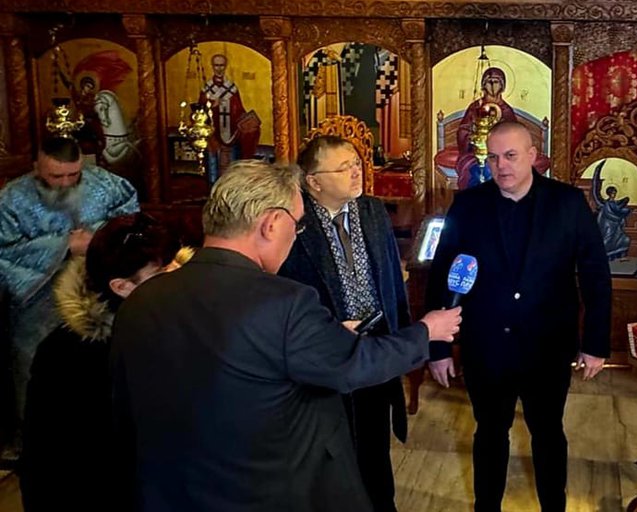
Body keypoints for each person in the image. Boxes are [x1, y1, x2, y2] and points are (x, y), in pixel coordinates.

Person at [110, 160, 461, 512]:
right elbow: (353, 365)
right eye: (298, 224)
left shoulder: (142, 300)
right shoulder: (284, 303)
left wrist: (322, 338)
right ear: (272, 223)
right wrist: (426, 332)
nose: (296, 236)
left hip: (170, 492)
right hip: (267, 491)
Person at [427, 122, 612, 512]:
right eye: (493, 157)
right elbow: (444, 275)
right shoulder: (468, 205)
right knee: (489, 433)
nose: (501, 166)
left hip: (547, 346)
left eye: (510, 156)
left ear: (533, 156)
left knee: (548, 433)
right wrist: (438, 348)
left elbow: (595, 274)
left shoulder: (567, 203)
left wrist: (595, 344)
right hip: (486, 346)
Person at [19, 213, 189, 512]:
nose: (181, 279)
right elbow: (43, 457)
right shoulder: (66, 356)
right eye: (163, 272)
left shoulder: (195, 325)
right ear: (122, 286)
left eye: (178, 265)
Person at [278, 135, 411, 512]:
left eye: (356, 163)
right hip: (325, 358)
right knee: (334, 453)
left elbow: (391, 278)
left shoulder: (372, 210)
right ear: (313, 181)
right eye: (343, 167)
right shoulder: (294, 222)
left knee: (375, 448)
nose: (356, 172)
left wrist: (404, 342)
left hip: (376, 348)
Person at [0, 137, 138, 432]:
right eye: (55, 176)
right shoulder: (12, 199)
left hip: (98, 293)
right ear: (37, 167)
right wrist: (63, 245)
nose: (65, 183)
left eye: (73, 174)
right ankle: (35, 438)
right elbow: (5, 251)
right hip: (39, 300)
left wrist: (96, 240)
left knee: (98, 367)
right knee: (36, 368)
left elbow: (130, 222)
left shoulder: (108, 185)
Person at [198, 53, 253, 183]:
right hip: (213, 133)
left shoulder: (231, 88)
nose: (219, 68)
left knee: (231, 165)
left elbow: (239, 109)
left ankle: (231, 186)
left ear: (225, 66)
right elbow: (200, 112)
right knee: (213, 163)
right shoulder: (207, 88)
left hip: (230, 132)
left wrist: (246, 121)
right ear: (212, 66)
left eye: (222, 65)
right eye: (216, 65)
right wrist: (212, 105)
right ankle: (213, 187)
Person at [591, 159, 632, 260]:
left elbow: (621, 205)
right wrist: (626, 211)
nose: (613, 195)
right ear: (609, 193)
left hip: (616, 228)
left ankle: (620, 256)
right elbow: (616, 211)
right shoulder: (606, 204)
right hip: (608, 226)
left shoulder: (614, 203)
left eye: (614, 193)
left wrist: (625, 203)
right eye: (612, 193)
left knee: (624, 239)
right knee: (607, 241)